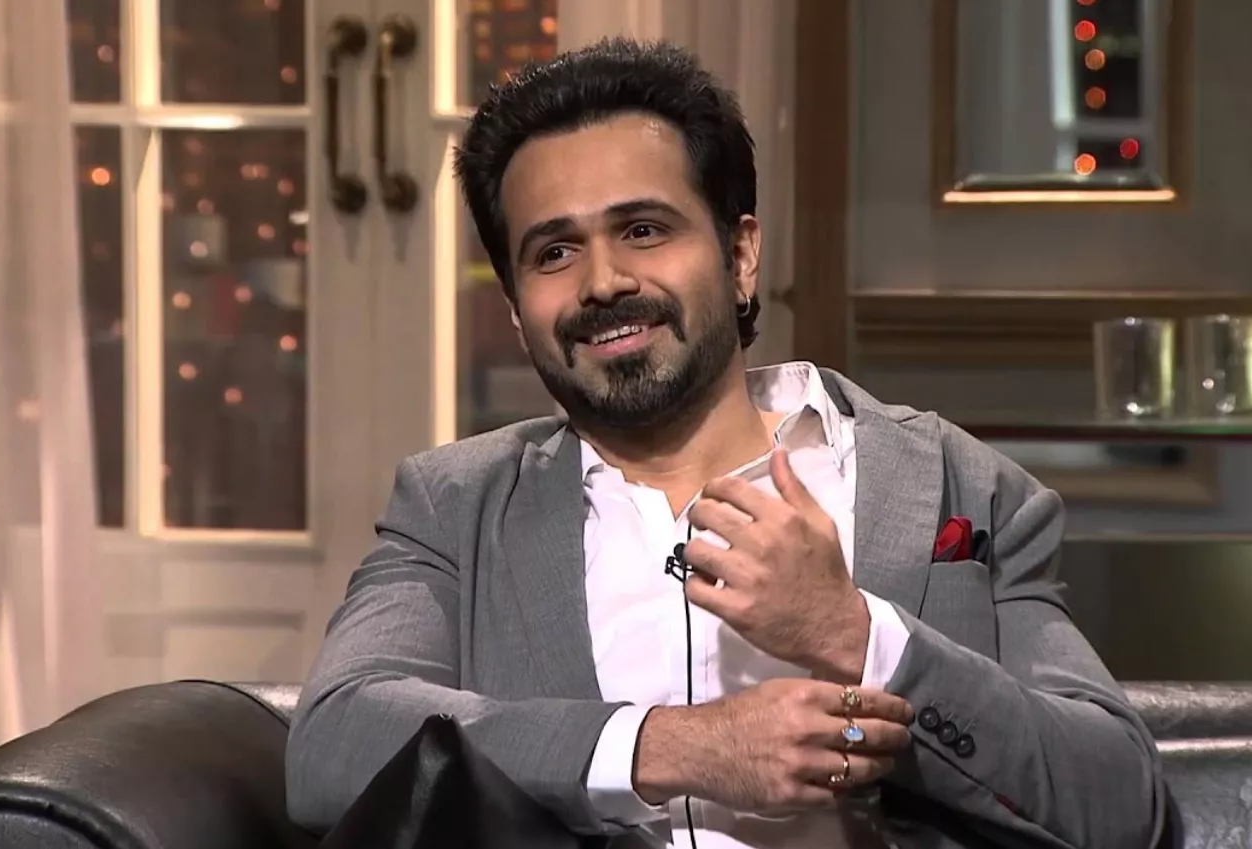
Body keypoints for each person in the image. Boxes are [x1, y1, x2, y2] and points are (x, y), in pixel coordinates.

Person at [286, 37, 1166, 849]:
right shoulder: (454, 507)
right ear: (517, 312)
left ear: (741, 255)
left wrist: (856, 633)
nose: (603, 281)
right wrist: (675, 746)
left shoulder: (956, 485)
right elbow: (333, 742)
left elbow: (1120, 800)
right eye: (554, 253)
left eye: (643, 230)